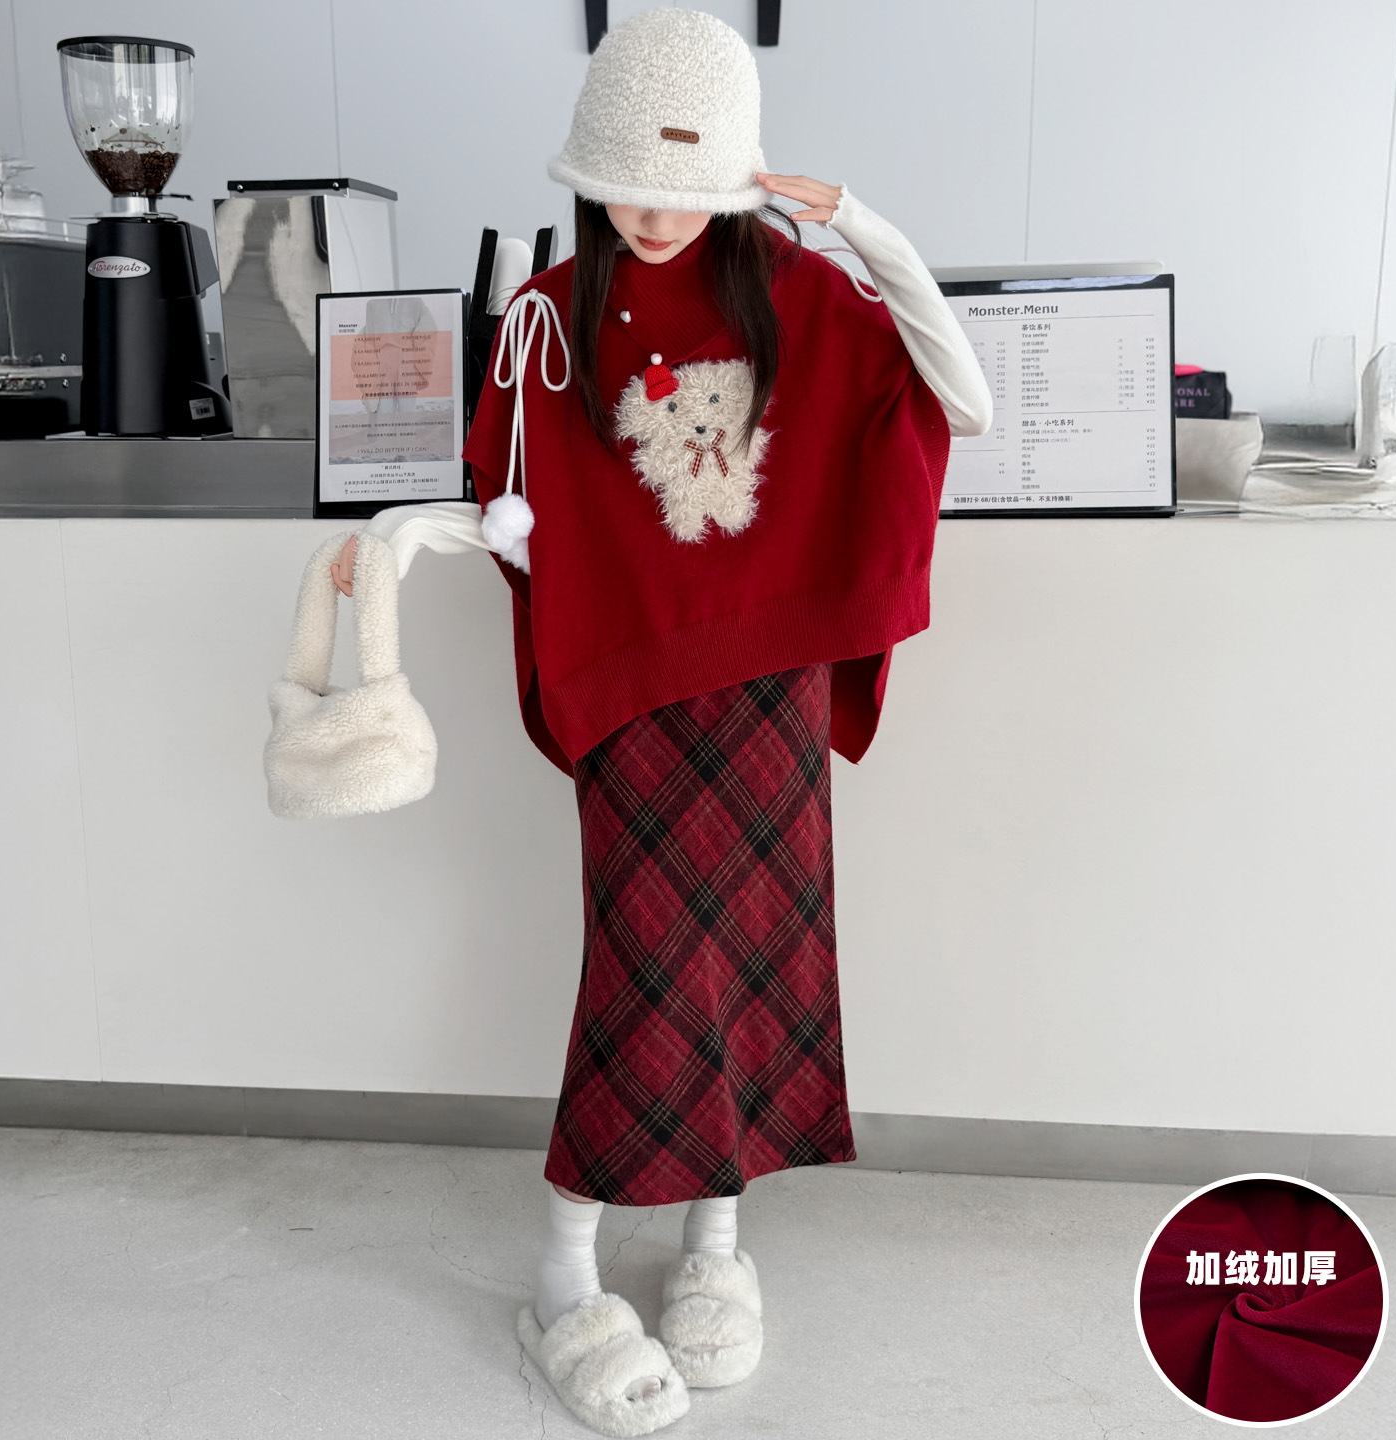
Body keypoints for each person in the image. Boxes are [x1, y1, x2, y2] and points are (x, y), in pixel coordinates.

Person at [333, 10, 989, 1435]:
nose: (651, 213)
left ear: (737, 177)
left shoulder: (801, 293)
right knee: (643, 973)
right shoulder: (547, 315)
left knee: (758, 957)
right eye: (626, 183)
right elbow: (514, 505)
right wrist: (397, 539)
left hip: (771, 682)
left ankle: (715, 1248)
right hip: (633, 687)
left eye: (683, 185)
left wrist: (861, 222)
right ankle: (564, 1278)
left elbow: (966, 400)